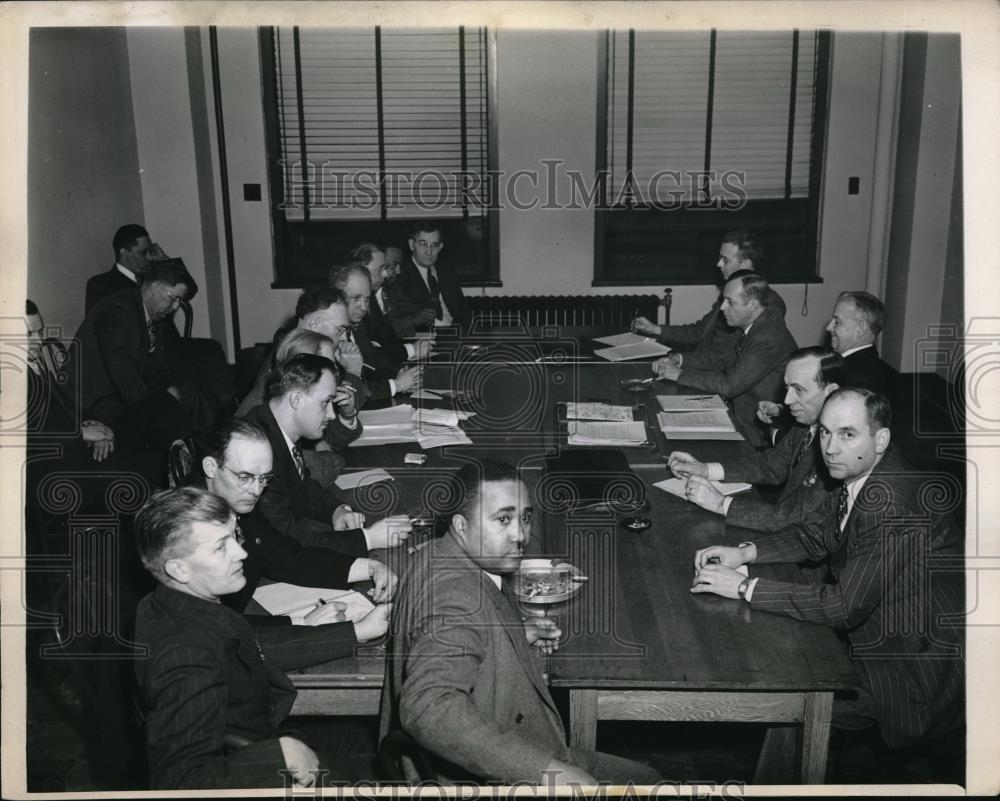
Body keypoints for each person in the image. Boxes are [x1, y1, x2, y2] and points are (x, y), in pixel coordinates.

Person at [691, 388, 964, 749]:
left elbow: (843, 607)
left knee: (773, 700)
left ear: (880, 439)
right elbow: (814, 534)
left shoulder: (892, 501)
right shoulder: (859, 470)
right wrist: (744, 554)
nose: (830, 448)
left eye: (847, 434)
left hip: (911, 669)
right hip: (875, 635)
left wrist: (743, 587)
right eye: (824, 432)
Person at [380, 459, 662, 786]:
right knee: (653, 783)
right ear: (460, 525)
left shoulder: (433, 555)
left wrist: (507, 635)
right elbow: (428, 708)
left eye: (525, 517)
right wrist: (545, 772)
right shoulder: (456, 600)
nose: (520, 534)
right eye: (503, 519)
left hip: (452, 761)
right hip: (476, 780)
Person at [133, 486, 388, 788]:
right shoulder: (184, 659)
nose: (242, 552)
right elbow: (180, 781)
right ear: (178, 569)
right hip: (255, 754)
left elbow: (251, 645)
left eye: (235, 537)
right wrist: (278, 755)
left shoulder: (172, 603)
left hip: (254, 731)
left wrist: (356, 631)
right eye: (220, 547)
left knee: (359, 737)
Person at [195, 417, 395, 629]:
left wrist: (370, 568)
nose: (256, 491)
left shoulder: (235, 503)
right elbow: (209, 627)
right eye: (245, 477)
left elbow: (287, 556)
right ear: (210, 467)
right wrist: (301, 623)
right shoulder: (190, 528)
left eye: (264, 478)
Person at [243, 353, 411, 552]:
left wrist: (337, 511)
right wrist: (367, 539)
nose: (332, 415)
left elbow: (303, 486)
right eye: (325, 402)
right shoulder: (255, 450)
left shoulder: (276, 425)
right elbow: (284, 537)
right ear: (296, 399)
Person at [667, 347, 847, 530]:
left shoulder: (839, 449)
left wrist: (721, 504)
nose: (787, 400)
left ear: (830, 391)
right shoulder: (808, 422)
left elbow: (795, 519)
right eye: (787, 388)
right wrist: (706, 469)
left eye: (799, 390)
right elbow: (771, 465)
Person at [652, 273, 796, 447]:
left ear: (751, 305)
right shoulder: (748, 323)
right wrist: (679, 359)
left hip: (756, 429)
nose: (722, 308)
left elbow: (730, 386)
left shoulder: (767, 336)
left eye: (730, 302)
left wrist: (678, 375)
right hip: (734, 413)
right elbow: (720, 359)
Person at [75, 258, 198, 453]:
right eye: (173, 298)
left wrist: (168, 387)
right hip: (94, 404)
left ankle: (192, 456)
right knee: (164, 412)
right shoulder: (116, 311)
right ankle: (190, 460)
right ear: (155, 287)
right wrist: (157, 404)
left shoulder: (153, 318)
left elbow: (158, 366)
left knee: (187, 394)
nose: (175, 307)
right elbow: (123, 376)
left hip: (120, 397)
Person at [632, 230, 786, 358]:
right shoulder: (728, 294)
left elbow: (730, 361)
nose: (718, 264)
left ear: (745, 264)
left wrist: (682, 363)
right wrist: (655, 329)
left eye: (725, 260)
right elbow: (700, 331)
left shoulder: (770, 303)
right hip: (706, 366)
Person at [328, 262, 426, 391]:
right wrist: (396, 385)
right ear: (337, 297)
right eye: (356, 298)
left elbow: (370, 360)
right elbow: (343, 390)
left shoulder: (355, 325)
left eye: (367, 299)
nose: (363, 307)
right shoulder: (328, 333)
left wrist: (398, 373)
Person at [346, 243, 433, 362]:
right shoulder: (351, 302)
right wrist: (411, 350)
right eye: (381, 269)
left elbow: (386, 336)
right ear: (363, 268)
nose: (385, 274)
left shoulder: (371, 297)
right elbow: (367, 354)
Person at [388, 222, 472, 334]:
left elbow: (463, 311)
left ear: (440, 247)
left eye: (434, 245)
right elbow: (394, 321)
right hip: (423, 339)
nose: (429, 252)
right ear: (411, 244)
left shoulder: (447, 272)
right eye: (423, 244)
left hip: (456, 335)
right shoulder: (399, 275)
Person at [84, 224, 167, 313]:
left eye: (150, 252)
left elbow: (181, 289)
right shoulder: (101, 285)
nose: (150, 258)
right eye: (143, 253)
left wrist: (164, 260)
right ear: (124, 253)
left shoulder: (152, 278)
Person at [825, 291, 891, 394]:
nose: (828, 327)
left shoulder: (857, 382)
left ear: (860, 328)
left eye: (837, 322)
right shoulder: (862, 363)